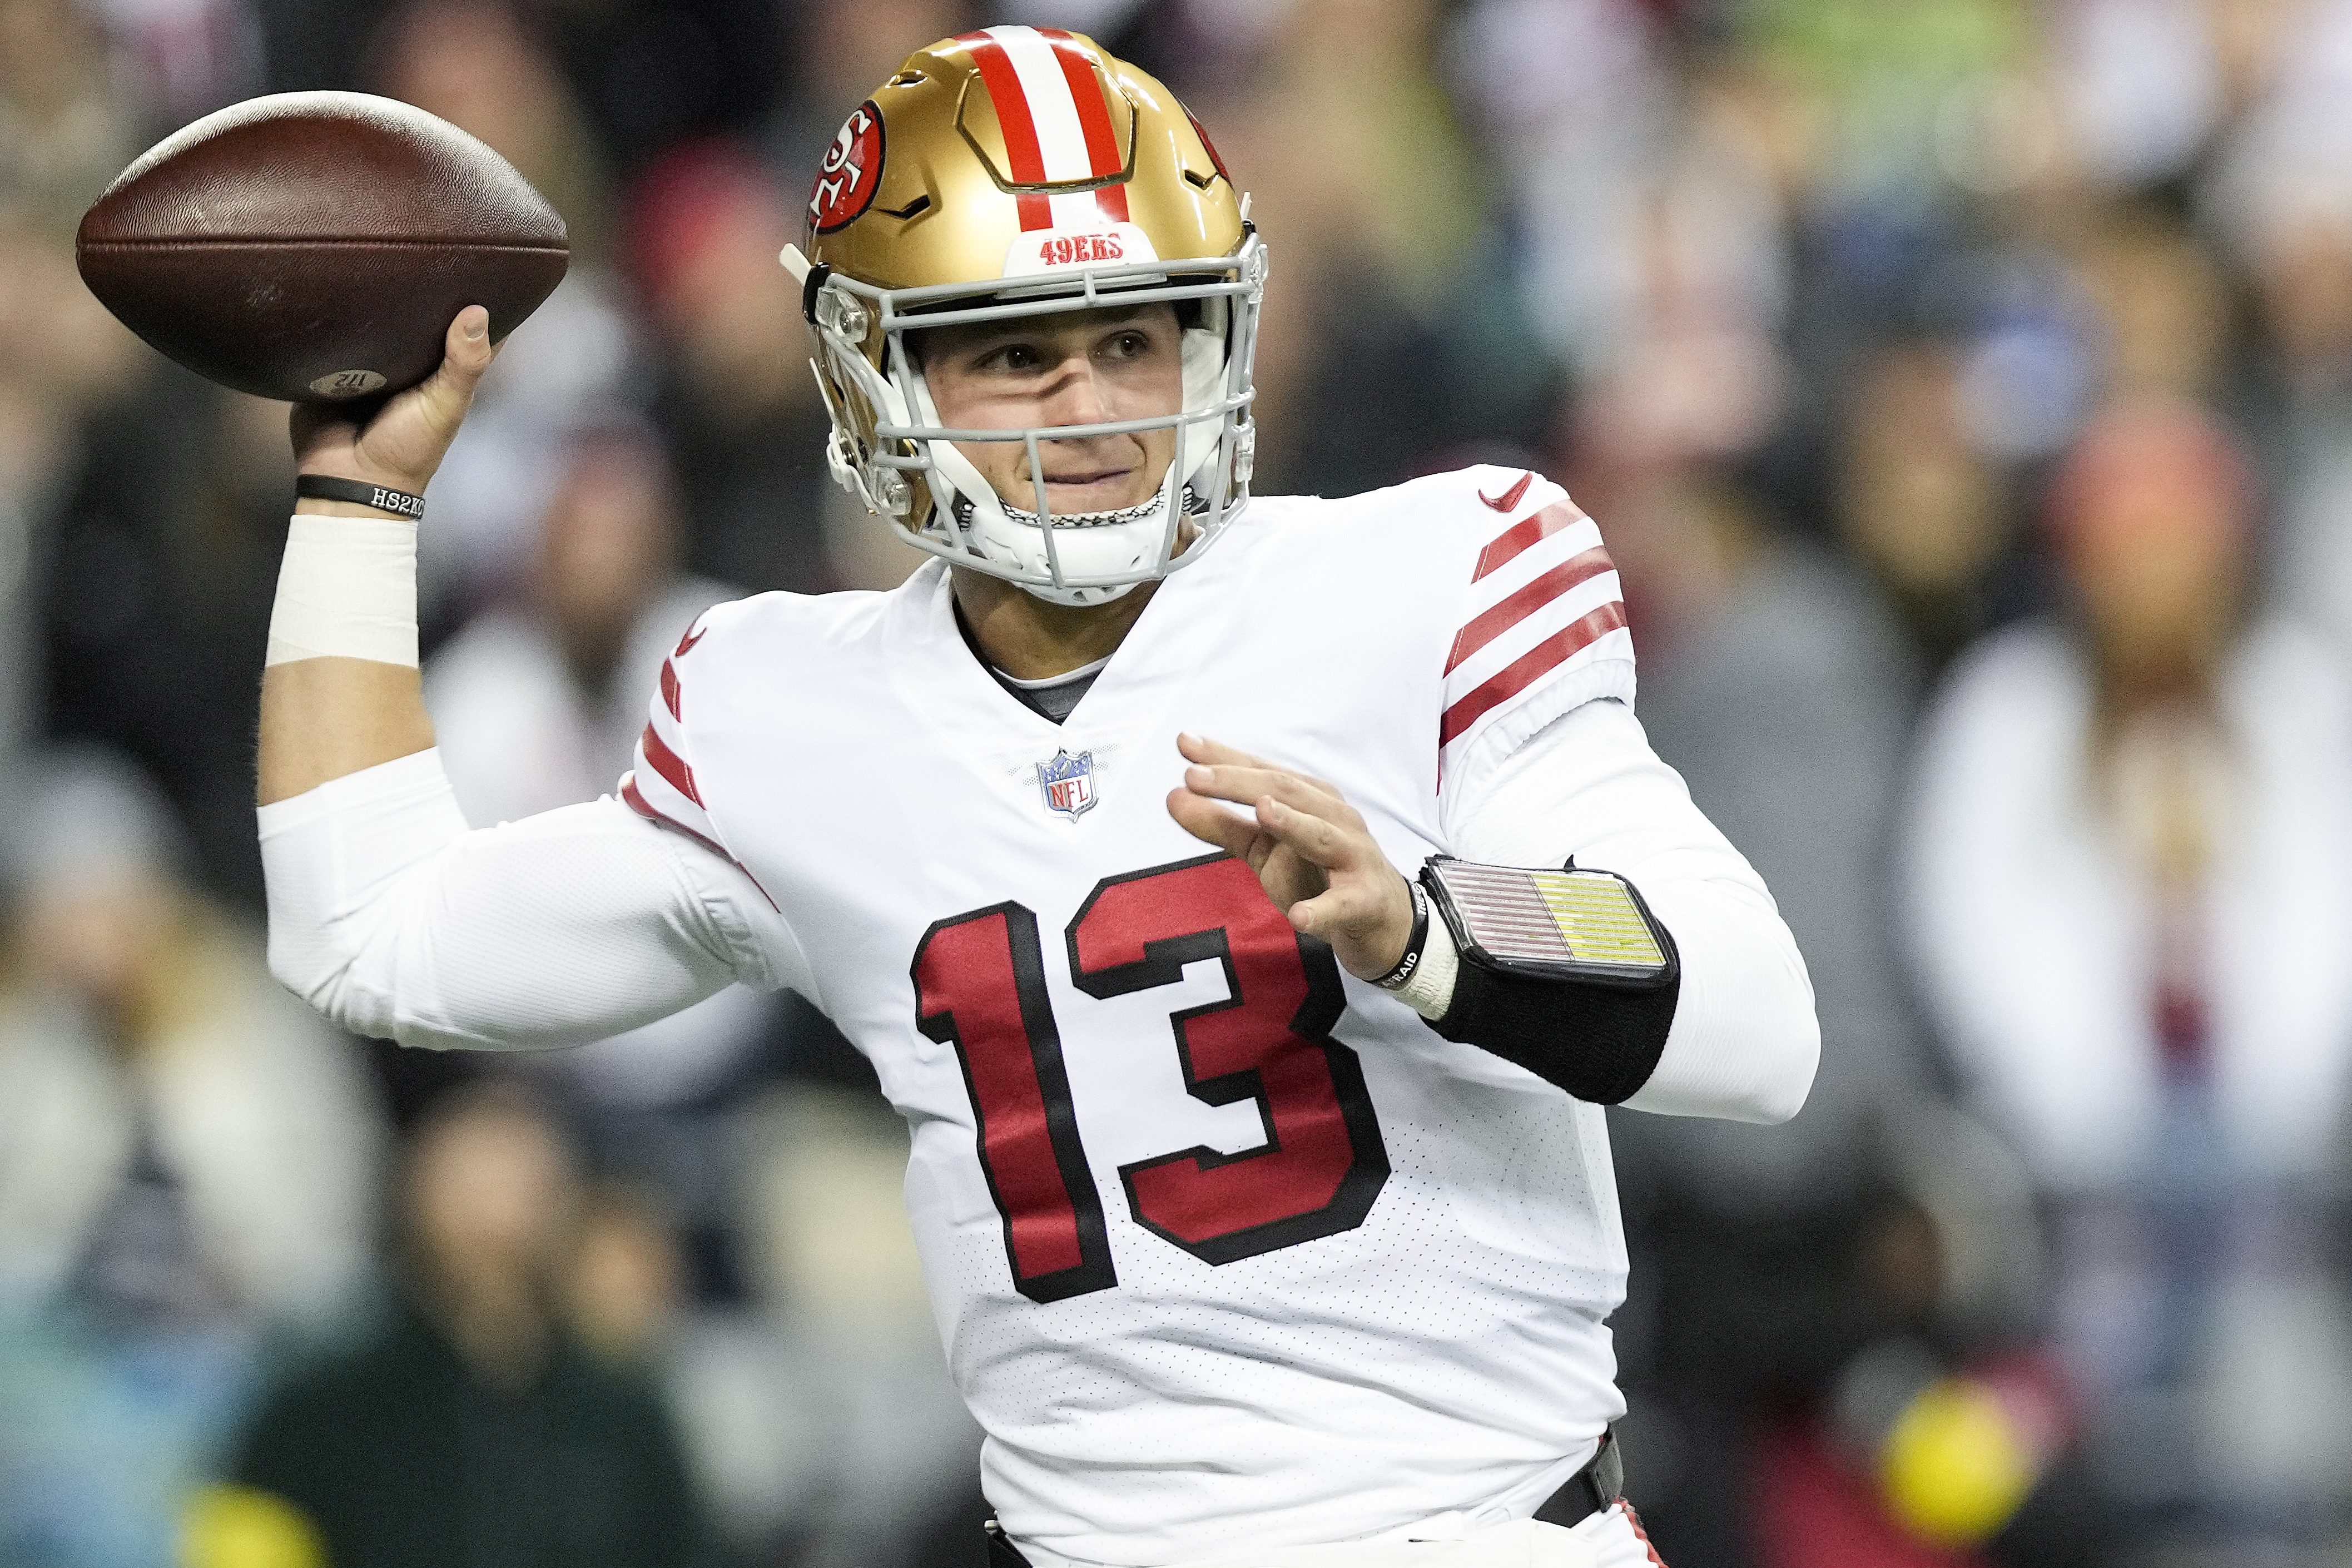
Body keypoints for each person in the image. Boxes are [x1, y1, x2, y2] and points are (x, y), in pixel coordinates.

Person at [255, 27, 1818, 1568]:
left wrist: (1430, 928)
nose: (1089, 406)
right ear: (876, 365)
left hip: (1472, 1532)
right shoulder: (787, 709)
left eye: (1136, 336)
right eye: (1016, 351)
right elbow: (371, 935)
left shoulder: (1430, 578)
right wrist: (353, 499)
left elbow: (1758, 1026)